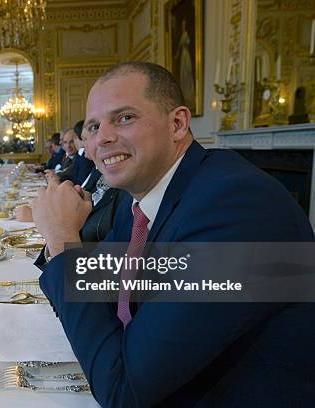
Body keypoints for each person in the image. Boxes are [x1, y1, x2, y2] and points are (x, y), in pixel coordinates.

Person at [31, 62, 315, 406]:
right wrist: (65, 246)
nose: (101, 137)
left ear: (177, 124)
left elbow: (124, 392)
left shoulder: (235, 204)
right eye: (93, 126)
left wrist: (61, 237)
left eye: (124, 118)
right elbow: (102, 283)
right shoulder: (136, 198)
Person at [69, 119, 95, 185]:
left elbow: (80, 183)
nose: (84, 144)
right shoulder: (81, 154)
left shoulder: (85, 158)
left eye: (85, 139)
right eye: (83, 139)